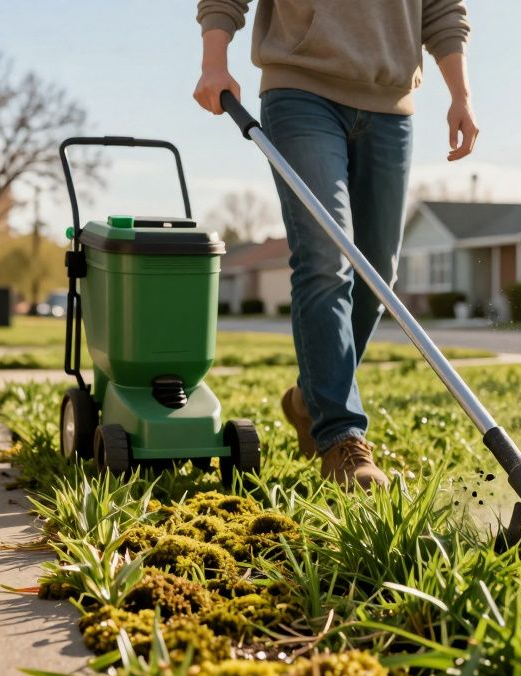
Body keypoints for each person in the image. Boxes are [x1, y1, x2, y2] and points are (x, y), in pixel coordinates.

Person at [194, 0, 477, 489]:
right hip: (301, 89)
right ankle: (342, 438)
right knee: (327, 258)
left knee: (378, 276)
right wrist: (214, 61)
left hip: (391, 105)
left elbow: (442, 10)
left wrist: (460, 95)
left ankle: (311, 397)